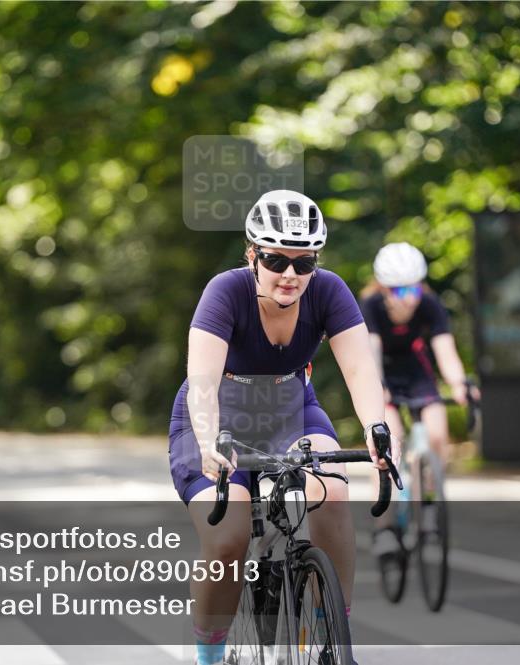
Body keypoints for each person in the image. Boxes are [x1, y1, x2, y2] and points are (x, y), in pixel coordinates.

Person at [169, 189, 400, 665]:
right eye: (277, 260)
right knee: (229, 536)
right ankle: (208, 657)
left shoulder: (330, 290)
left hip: (290, 407)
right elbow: (204, 382)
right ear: (253, 255)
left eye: (305, 262)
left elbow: (359, 369)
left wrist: (376, 428)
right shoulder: (225, 291)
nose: (291, 274)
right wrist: (211, 443)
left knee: (332, 491)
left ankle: (334, 634)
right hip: (218, 415)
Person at [359, 242, 476, 546]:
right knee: (388, 440)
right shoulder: (370, 307)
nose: (409, 299)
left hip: (415, 369)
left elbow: (445, 350)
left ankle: (429, 500)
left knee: (437, 433)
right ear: (384, 289)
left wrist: (460, 383)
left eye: (414, 290)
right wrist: (378, 388)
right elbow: (370, 352)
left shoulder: (429, 303)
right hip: (382, 371)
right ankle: (384, 525)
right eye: (400, 292)